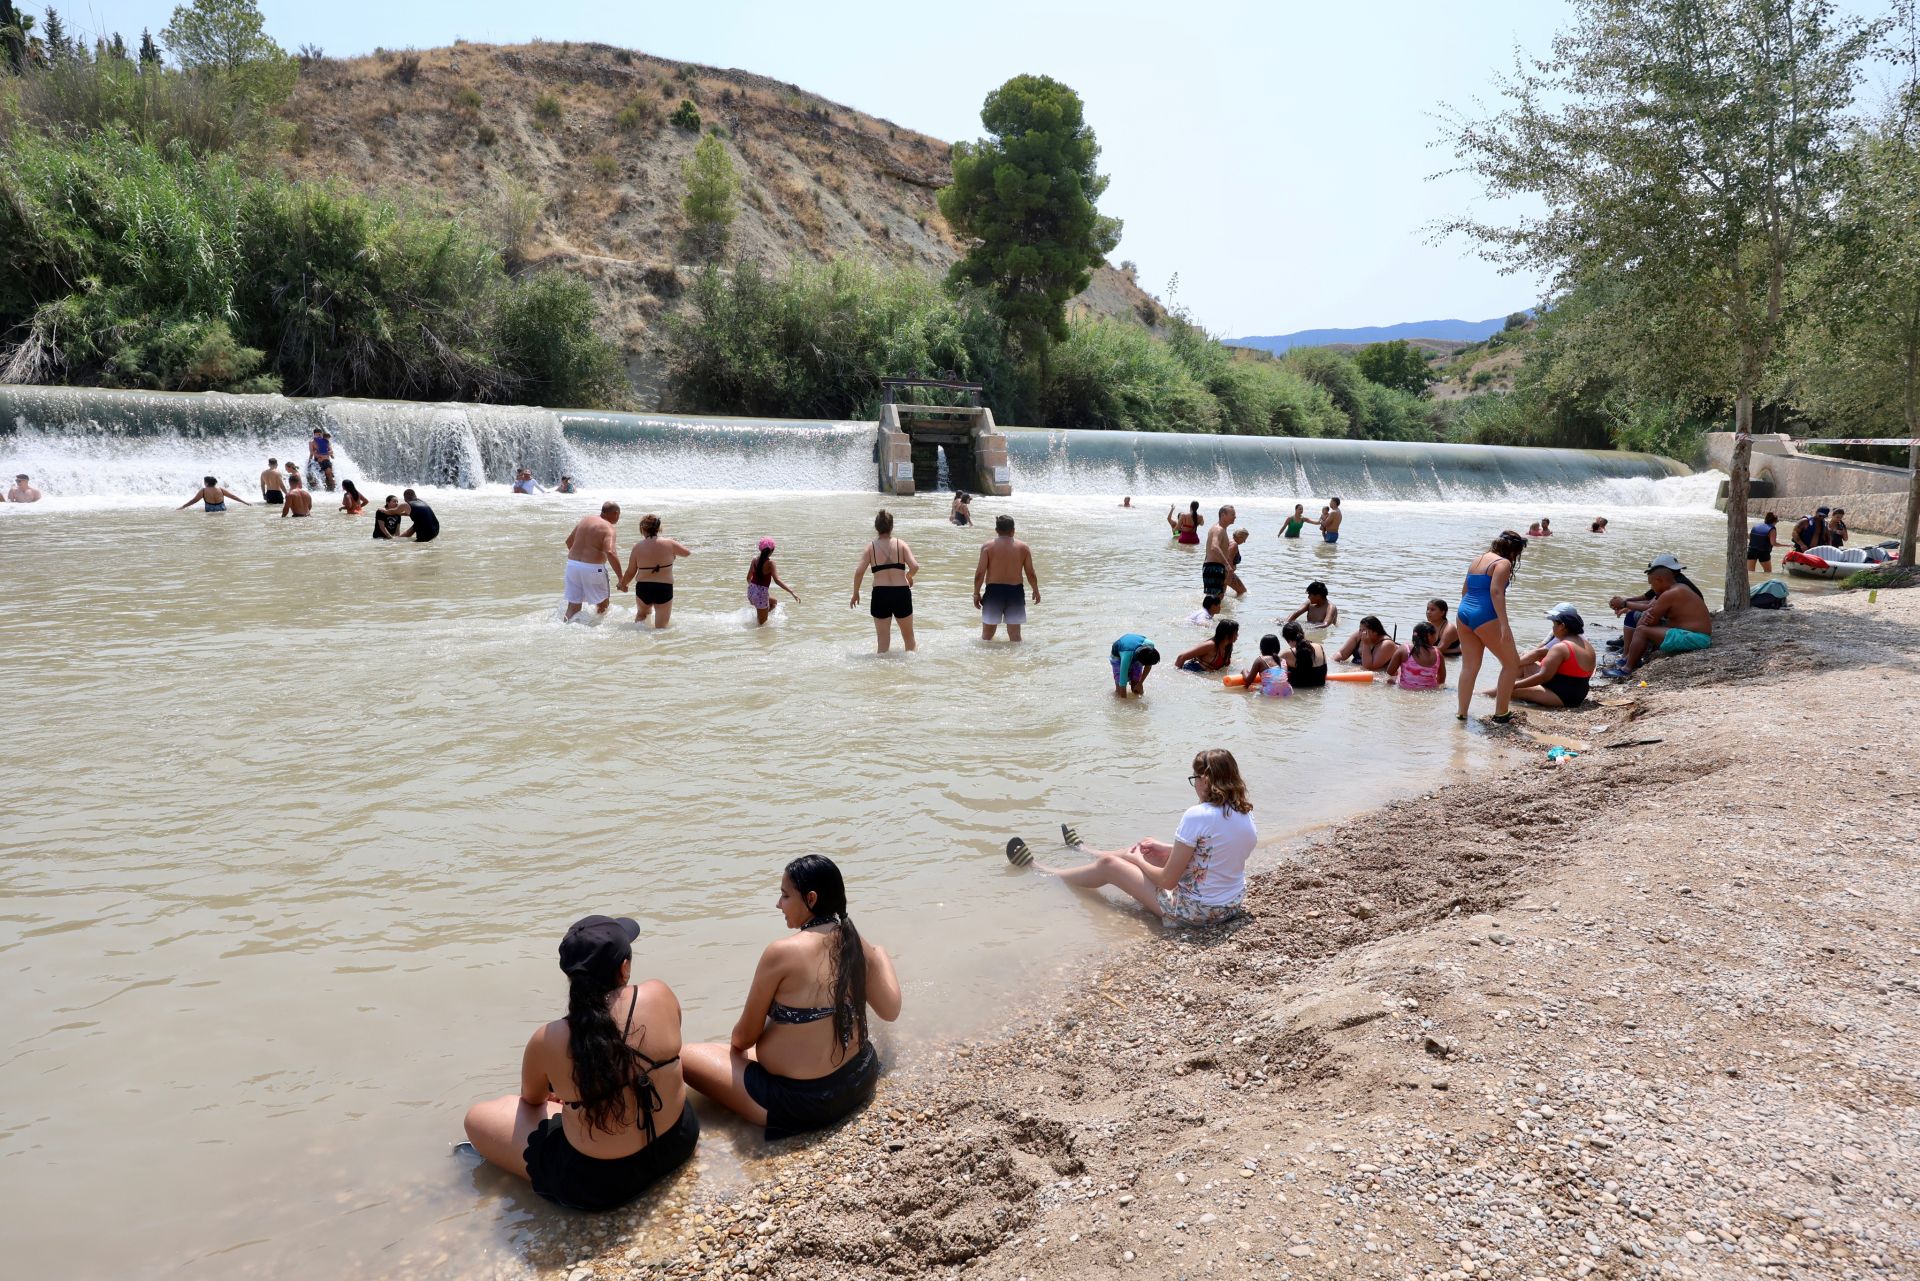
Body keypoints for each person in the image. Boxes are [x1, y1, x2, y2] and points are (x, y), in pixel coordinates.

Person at [462, 915, 696, 1211]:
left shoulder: (549, 1037)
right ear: (624, 968)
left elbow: (532, 1100)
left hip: (601, 1186)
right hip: (678, 1143)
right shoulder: (659, 993)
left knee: (478, 1116)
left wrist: (569, 1088)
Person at [681, 856, 901, 1141]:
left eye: (785, 895)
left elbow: (743, 1037)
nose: (778, 904)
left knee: (683, 1054)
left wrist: (739, 1051)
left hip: (801, 1104)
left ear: (811, 899)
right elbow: (891, 1009)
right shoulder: (852, 939)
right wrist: (880, 953)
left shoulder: (782, 953)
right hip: (859, 1078)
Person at [1024, 749, 1256, 926]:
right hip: (1231, 905)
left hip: (1197, 913)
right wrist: (1160, 849)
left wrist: (1137, 862)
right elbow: (1213, 853)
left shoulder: (1197, 815)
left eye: (1194, 778)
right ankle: (1085, 850)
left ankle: (1046, 873)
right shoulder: (1245, 814)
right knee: (1147, 847)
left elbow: (1167, 881)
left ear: (1205, 779)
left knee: (1110, 865)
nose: (1194, 784)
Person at [1454, 530, 1526, 724]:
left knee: (1469, 667)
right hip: (1485, 614)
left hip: (1464, 613)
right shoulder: (1503, 563)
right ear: (1514, 550)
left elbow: (1465, 590)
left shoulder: (1477, 560)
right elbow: (1495, 592)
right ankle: (1501, 713)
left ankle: (1462, 713)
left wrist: (1468, 617)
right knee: (1512, 664)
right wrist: (1504, 625)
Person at [1613, 555, 1714, 674]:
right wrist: (1648, 615)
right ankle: (1632, 658)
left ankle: (1627, 668)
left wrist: (1646, 614)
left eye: (1651, 584)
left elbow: (1651, 620)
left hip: (1696, 638)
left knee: (1642, 630)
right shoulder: (1680, 586)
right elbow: (1652, 614)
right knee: (1644, 622)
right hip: (1697, 636)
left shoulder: (1670, 594)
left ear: (1659, 580)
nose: (1651, 587)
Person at [850, 510, 918, 653]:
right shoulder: (901, 544)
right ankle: (912, 671)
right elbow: (915, 566)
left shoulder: (870, 547)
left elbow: (859, 572)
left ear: (876, 527)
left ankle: (881, 673)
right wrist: (908, 576)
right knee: (908, 637)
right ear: (891, 526)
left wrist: (855, 593)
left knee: (882, 640)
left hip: (880, 594)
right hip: (901, 592)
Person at [1508, 603, 1596, 708]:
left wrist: (1513, 685)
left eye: (1554, 624)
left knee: (1503, 690)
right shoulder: (1582, 641)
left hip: (1563, 696)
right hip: (1575, 691)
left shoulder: (1561, 646)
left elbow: (1542, 673)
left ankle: (1483, 696)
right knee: (1522, 669)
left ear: (1562, 626)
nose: (1553, 627)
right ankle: (1508, 687)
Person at [974, 515, 1040, 642]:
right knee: (1015, 637)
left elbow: (979, 574)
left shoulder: (987, 547)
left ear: (996, 530)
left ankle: (985, 661)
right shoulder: (1023, 547)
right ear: (1013, 530)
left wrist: (976, 594)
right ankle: (1015, 661)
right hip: (1015, 592)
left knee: (987, 636)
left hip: (994, 591)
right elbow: (1030, 573)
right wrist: (1035, 590)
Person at [622, 514, 692, 629]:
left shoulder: (637, 547)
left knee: (641, 615)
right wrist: (674, 547)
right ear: (659, 528)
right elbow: (687, 553)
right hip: (664, 588)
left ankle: (638, 641)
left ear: (643, 529)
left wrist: (623, 584)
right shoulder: (670, 543)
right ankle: (660, 645)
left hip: (643, 588)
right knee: (661, 627)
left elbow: (630, 571)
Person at [562, 503, 623, 620]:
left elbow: (569, 542)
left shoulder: (585, 520)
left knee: (573, 607)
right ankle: (597, 632)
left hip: (572, 566)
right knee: (603, 605)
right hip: (593, 569)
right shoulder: (608, 528)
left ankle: (564, 626)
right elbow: (610, 552)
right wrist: (621, 578)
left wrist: (581, 561)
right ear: (615, 513)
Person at [746, 537, 799, 625]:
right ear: (772, 550)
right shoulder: (770, 563)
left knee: (774, 602)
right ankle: (761, 616)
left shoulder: (754, 560)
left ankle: (761, 613)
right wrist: (791, 592)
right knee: (761, 625)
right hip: (760, 595)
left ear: (760, 549)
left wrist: (755, 590)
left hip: (751, 592)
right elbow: (777, 580)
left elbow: (748, 578)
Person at [1390, 622, 1446, 690]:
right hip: (1429, 692)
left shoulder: (1404, 649)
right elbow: (1441, 680)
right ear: (1429, 636)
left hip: (1405, 690)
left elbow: (1390, 671)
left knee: (1389, 680)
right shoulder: (1438, 653)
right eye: (1435, 634)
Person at [1334, 615, 1401, 672]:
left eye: (1364, 631)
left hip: (1375, 675)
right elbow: (1342, 654)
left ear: (1375, 632)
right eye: (1360, 629)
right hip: (1356, 669)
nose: (1361, 633)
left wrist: (1366, 644)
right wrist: (1332, 664)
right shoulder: (1358, 635)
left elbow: (1369, 667)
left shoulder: (1387, 644)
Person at [1202, 505, 1236, 600]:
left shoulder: (1222, 529)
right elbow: (1214, 546)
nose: (1235, 517)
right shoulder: (1218, 529)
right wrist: (1228, 566)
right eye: (1232, 514)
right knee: (1214, 602)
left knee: (1217, 600)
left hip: (1215, 567)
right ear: (1223, 515)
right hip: (1214, 568)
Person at [1280, 621, 1327, 688]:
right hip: (1320, 691)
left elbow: (1271, 670)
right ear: (1303, 634)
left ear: (1288, 640)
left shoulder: (1286, 654)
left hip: (1297, 693)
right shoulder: (1319, 647)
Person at [177, 476, 249, 512]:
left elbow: (194, 500)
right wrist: (245, 502)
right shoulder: (221, 489)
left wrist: (183, 507)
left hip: (210, 511)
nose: (204, 483)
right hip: (222, 509)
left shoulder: (203, 491)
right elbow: (233, 497)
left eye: (204, 482)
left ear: (207, 483)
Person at [1226, 528, 1251, 597]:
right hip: (1226, 572)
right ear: (1240, 537)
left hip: (1220, 570)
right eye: (1244, 539)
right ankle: (1234, 606)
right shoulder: (1234, 545)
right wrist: (1229, 576)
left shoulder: (1228, 540)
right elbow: (1228, 560)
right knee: (1242, 591)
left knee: (1221, 594)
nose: (1244, 542)